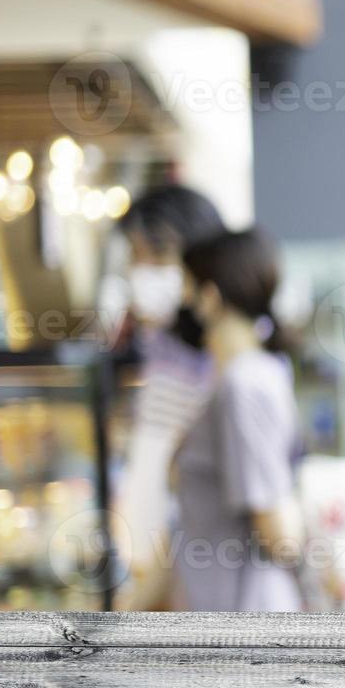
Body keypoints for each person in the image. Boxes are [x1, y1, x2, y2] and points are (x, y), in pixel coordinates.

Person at [173, 230, 304, 611]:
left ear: (210, 296)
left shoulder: (243, 383)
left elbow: (279, 532)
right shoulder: (259, 372)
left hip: (246, 624)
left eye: (186, 286)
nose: (180, 300)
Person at [112, 184, 227, 609]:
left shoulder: (223, 358)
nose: (140, 270)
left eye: (157, 255)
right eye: (134, 255)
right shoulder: (159, 344)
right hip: (148, 565)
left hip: (183, 585)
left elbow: (199, 499)